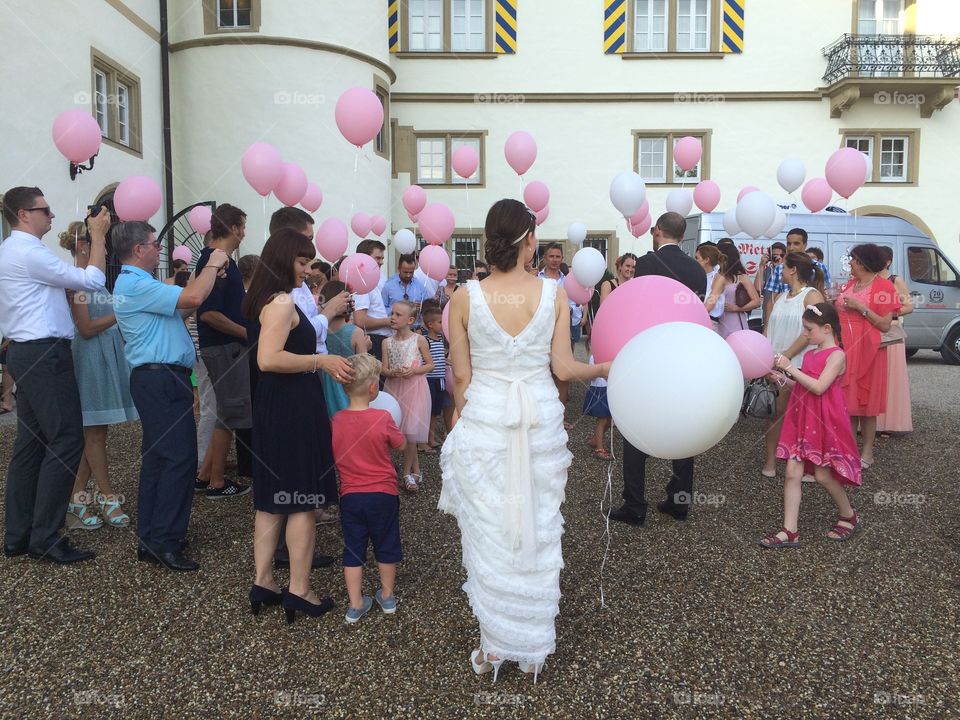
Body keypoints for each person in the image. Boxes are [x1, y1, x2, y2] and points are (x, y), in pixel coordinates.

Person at [440, 198, 609, 681]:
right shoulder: (554, 293)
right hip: (538, 424)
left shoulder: (463, 297)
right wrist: (601, 368)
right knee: (535, 523)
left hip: (488, 422)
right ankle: (530, 642)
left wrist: (462, 427)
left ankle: (496, 644)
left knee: (492, 531)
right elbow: (562, 368)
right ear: (529, 240)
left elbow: (461, 379)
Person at [241, 229, 354, 621]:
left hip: (278, 405)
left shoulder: (264, 298)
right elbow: (268, 359)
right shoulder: (281, 302)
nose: (308, 271)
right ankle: (300, 589)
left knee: (272, 500)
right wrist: (319, 361)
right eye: (302, 263)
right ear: (283, 259)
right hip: (292, 405)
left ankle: (265, 581)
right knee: (302, 500)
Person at [0, 187, 109, 564]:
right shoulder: (28, 252)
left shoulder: (13, 251)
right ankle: (46, 535)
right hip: (45, 354)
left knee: (30, 444)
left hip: (25, 352)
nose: (51, 214)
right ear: (23, 214)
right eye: (44, 209)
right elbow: (92, 281)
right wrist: (97, 235)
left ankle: (19, 533)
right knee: (65, 439)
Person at [112, 221, 229, 571]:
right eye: (154, 244)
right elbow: (192, 297)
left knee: (159, 459)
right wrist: (210, 265)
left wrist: (206, 284)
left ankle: (152, 536)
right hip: (159, 379)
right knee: (178, 459)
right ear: (138, 250)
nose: (158, 249)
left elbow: (182, 308)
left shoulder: (139, 284)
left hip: (160, 379)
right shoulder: (134, 283)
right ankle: (165, 540)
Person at [610, 213, 707, 527]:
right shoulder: (697, 269)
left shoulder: (646, 264)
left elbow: (637, 310)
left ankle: (635, 505)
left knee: (636, 429)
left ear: (658, 231)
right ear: (682, 235)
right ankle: (680, 501)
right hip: (687, 356)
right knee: (685, 428)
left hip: (651, 355)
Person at [269, 207, 348, 543]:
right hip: (291, 386)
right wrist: (327, 313)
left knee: (306, 467)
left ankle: (293, 547)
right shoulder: (280, 294)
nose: (309, 266)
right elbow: (273, 354)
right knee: (294, 475)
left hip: (302, 379)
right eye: (304, 255)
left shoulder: (292, 288)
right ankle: (295, 569)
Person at [760, 303, 862, 548]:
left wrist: (790, 368)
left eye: (808, 329)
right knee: (792, 473)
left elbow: (819, 387)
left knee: (824, 475)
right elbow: (805, 387)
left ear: (827, 328)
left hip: (825, 421)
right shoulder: (810, 354)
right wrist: (784, 379)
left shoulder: (837, 355)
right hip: (803, 420)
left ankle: (848, 515)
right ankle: (789, 530)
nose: (805, 335)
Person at [58, 221, 138, 530]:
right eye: (98, 243)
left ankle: (76, 499)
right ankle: (107, 497)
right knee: (94, 434)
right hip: (91, 361)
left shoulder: (92, 281)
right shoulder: (79, 283)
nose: (104, 249)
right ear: (83, 246)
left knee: (96, 433)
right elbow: (86, 329)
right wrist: (120, 313)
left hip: (104, 358)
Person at [331, 354, 406, 623]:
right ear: (374, 387)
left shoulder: (337, 421)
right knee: (386, 543)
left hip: (351, 496)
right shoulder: (383, 417)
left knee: (353, 548)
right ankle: (387, 597)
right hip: (384, 494)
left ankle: (355, 604)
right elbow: (401, 445)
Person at [194, 204, 252, 499]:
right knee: (229, 415)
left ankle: (205, 475)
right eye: (242, 226)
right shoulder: (215, 263)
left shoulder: (220, 261)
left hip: (225, 348)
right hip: (224, 348)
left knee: (224, 412)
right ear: (233, 228)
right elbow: (208, 313)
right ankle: (217, 481)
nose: (244, 233)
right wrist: (246, 332)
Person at [835, 243, 899, 468]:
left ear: (862, 262)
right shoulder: (850, 284)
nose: (849, 262)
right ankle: (849, 449)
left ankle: (868, 451)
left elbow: (884, 324)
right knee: (848, 403)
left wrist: (860, 307)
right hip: (845, 348)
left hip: (868, 350)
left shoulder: (883, 287)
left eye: (852, 259)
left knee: (866, 404)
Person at [761, 253, 825, 478]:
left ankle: (807, 463)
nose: (780, 270)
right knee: (774, 412)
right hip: (776, 362)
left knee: (803, 414)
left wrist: (785, 358)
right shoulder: (780, 296)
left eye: (783, 266)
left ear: (793, 270)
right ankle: (771, 459)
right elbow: (769, 327)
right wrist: (766, 356)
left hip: (800, 363)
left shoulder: (812, 296)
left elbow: (810, 334)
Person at [382, 300, 433, 491]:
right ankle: (416, 468)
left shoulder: (419, 340)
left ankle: (405, 474)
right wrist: (391, 372)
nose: (392, 317)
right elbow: (384, 369)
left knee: (411, 432)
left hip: (415, 388)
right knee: (401, 430)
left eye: (398, 315)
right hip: (395, 388)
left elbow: (430, 364)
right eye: (392, 313)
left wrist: (415, 370)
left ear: (410, 320)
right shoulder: (386, 342)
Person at [877, 245, 914, 435]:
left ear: (888, 261)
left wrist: (889, 312)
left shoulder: (895, 280)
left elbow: (909, 306)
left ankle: (890, 422)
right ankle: (872, 421)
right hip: (872, 330)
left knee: (891, 377)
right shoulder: (869, 279)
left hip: (891, 329)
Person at [761, 228, 831, 310]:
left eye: (796, 243)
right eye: (789, 244)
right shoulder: (779, 269)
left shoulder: (819, 267)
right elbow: (771, 300)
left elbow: (827, 295)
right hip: (784, 315)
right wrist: (768, 322)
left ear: (805, 245)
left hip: (811, 317)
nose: (791, 248)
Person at [353, 239, 391, 362]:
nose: (381, 262)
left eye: (382, 258)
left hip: (379, 339)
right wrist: (389, 321)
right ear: (365, 258)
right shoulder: (362, 284)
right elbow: (360, 320)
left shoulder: (369, 281)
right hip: (373, 340)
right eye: (377, 258)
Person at [716, 239, 761, 338]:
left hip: (734, 320)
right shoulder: (715, 275)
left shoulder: (741, 277)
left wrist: (735, 308)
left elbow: (756, 301)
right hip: (716, 321)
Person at [421, 306, 448, 453]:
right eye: (440, 322)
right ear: (430, 324)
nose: (443, 325)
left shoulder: (440, 339)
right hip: (429, 379)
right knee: (427, 411)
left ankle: (431, 438)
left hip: (440, 379)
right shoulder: (425, 340)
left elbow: (440, 358)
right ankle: (423, 441)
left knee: (436, 412)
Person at [382, 254, 429, 320]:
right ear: (399, 269)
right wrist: (398, 310)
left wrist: (420, 308)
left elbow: (427, 310)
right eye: (405, 272)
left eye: (411, 272)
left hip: (415, 328)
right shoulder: (388, 286)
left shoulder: (420, 287)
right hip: (394, 328)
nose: (408, 275)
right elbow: (381, 310)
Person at [583, 354, 611, 459]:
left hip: (610, 389)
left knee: (609, 420)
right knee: (602, 420)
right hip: (600, 389)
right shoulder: (594, 356)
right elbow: (592, 375)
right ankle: (599, 449)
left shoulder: (613, 353)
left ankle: (596, 439)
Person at [755, 241, 786, 330]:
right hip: (768, 317)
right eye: (774, 255)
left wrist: (780, 267)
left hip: (783, 317)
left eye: (782, 255)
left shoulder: (789, 272)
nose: (778, 257)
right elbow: (758, 288)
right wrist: (761, 265)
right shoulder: (767, 270)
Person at [695, 243, 727, 327]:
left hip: (709, 323)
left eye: (697, 258)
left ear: (706, 260)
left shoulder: (718, 279)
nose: (695, 261)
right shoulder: (699, 276)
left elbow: (709, 305)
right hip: (697, 321)